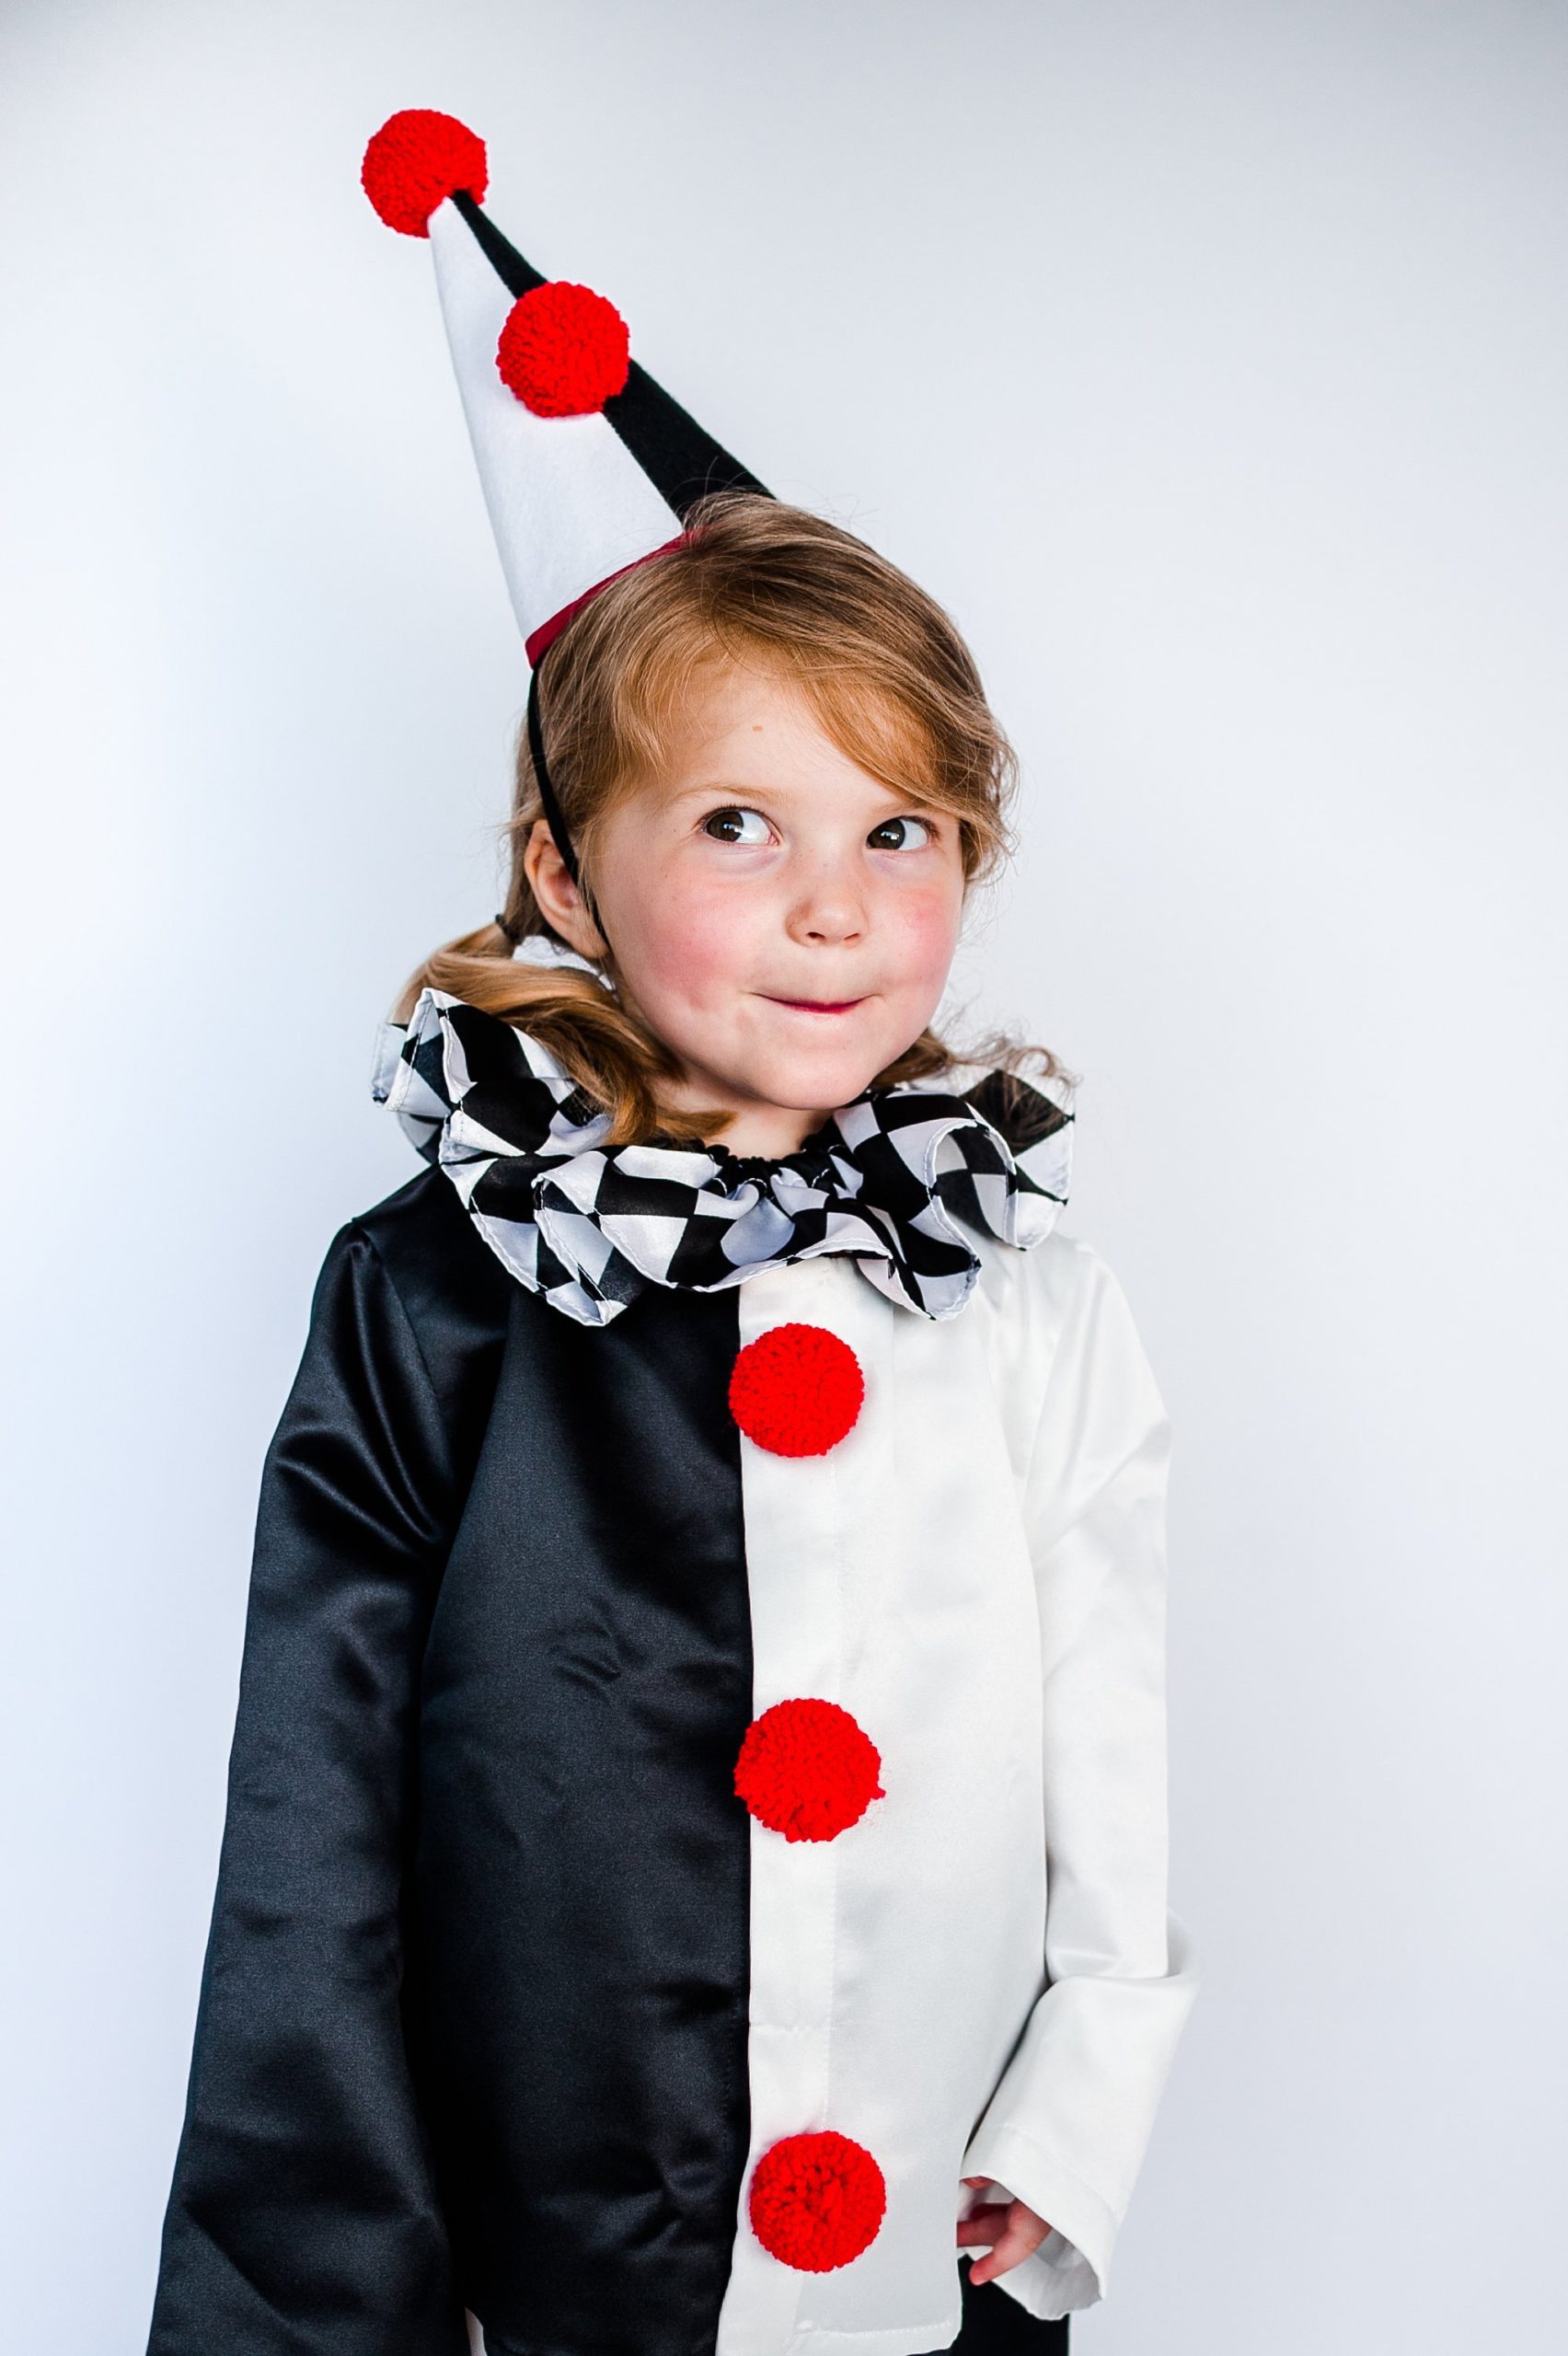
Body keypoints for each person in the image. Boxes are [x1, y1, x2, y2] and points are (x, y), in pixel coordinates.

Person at [144, 110, 1195, 2356]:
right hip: (541, 2271)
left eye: (898, 825)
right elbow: (309, 1840)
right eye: (741, 818)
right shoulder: (433, 1291)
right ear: (562, 861)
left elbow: (1116, 1733)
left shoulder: (1029, 1290)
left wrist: (1076, 2113)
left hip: (933, 2241)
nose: (836, 901)